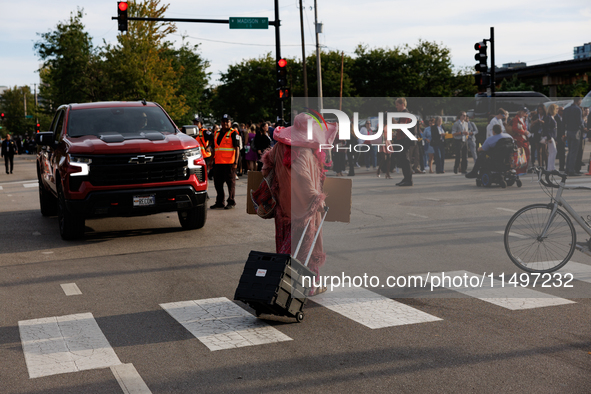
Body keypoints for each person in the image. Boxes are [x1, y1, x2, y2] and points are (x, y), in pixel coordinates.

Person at [261, 113, 338, 296]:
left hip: (283, 206)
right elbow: (303, 177)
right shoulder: (303, 152)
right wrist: (316, 198)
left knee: (286, 247)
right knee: (306, 248)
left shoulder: (279, 147)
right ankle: (308, 286)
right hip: (303, 210)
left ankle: (282, 282)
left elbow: (266, 167)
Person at [210, 114, 240, 209]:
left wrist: (236, 162)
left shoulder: (234, 133)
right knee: (217, 184)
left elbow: (237, 148)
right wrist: (211, 160)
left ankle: (231, 202)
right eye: (223, 121)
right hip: (218, 163)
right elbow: (215, 148)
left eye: (227, 121)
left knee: (230, 184)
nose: (225, 123)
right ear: (221, 122)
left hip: (229, 163)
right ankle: (220, 202)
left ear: (230, 123)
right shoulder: (216, 133)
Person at [393, 98, 413, 186]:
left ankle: (408, 180)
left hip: (404, 140)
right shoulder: (404, 114)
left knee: (405, 159)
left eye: (397, 105)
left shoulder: (405, 114)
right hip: (403, 139)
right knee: (403, 159)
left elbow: (402, 127)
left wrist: (393, 121)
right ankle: (406, 178)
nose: (396, 107)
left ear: (402, 104)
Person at [563, 97, 585, 176]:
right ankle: (571, 170)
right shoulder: (578, 109)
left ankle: (567, 169)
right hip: (575, 131)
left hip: (568, 131)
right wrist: (583, 127)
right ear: (578, 101)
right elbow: (579, 122)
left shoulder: (566, 109)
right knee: (574, 152)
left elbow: (564, 121)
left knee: (570, 151)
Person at [542, 104, 558, 171]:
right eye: (556, 109)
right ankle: (551, 167)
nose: (557, 110)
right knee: (553, 151)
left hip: (552, 136)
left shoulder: (551, 117)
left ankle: (550, 167)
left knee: (552, 152)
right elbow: (547, 128)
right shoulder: (548, 117)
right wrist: (549, 137)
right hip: (550, 136)